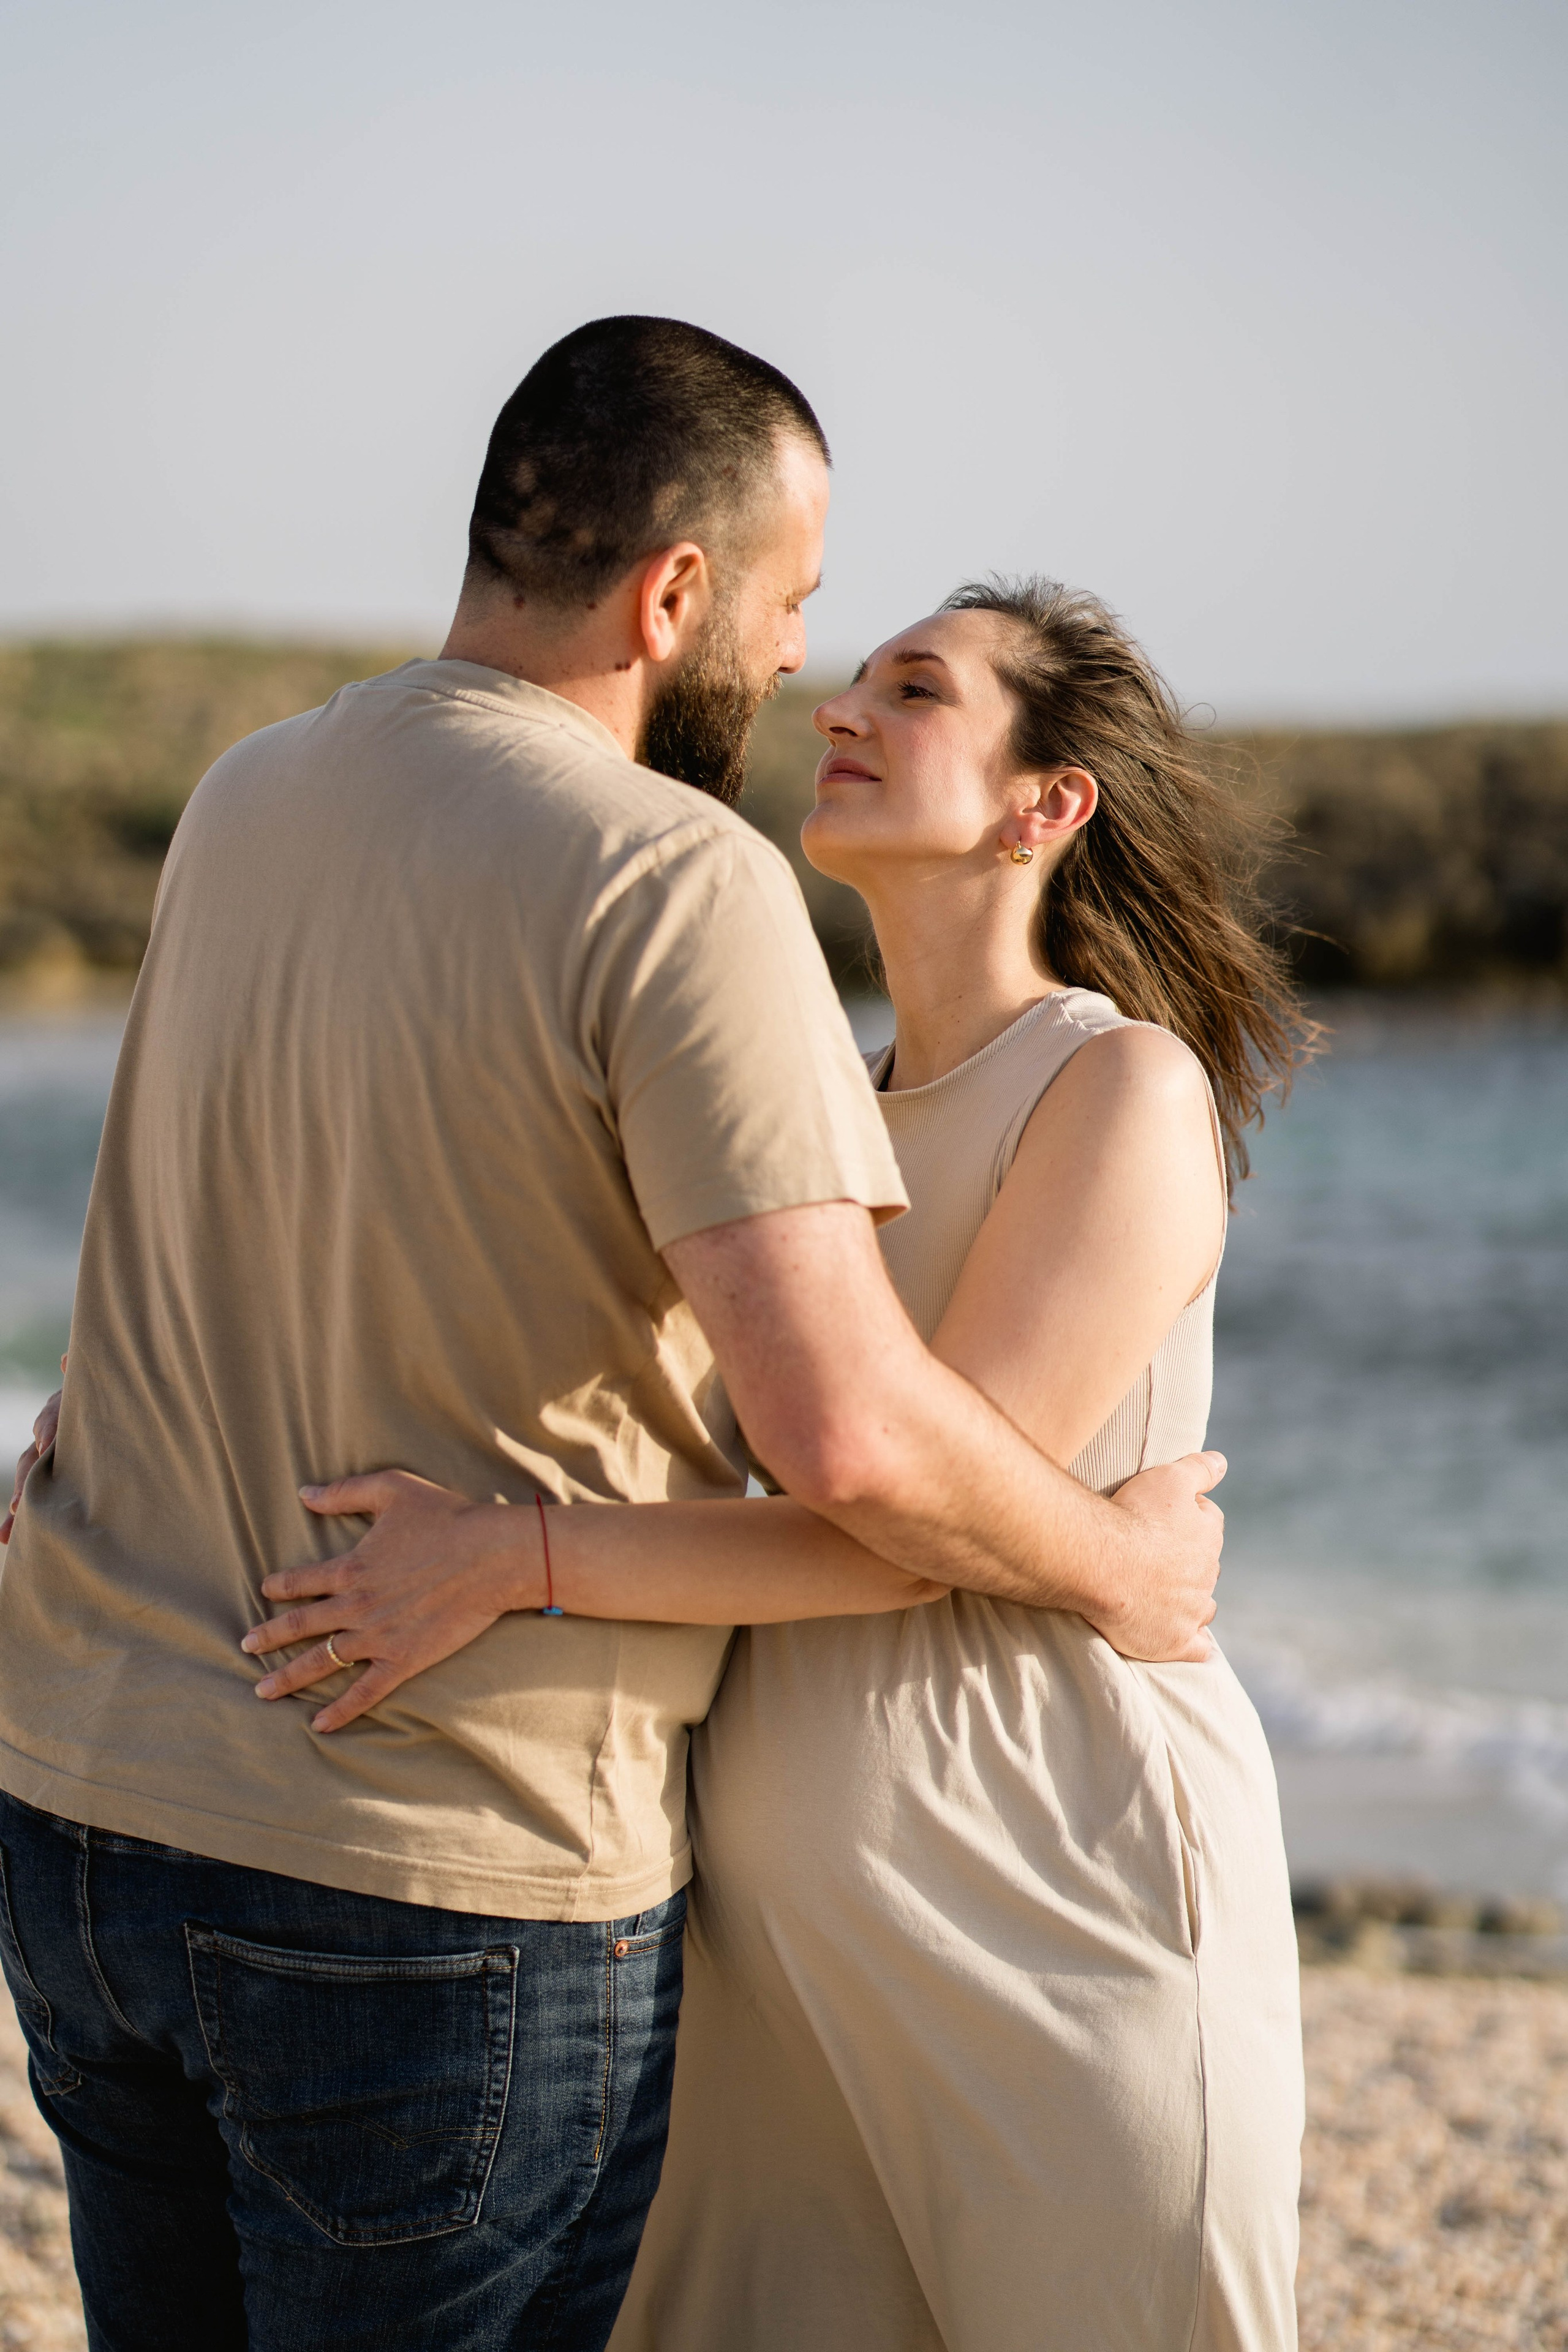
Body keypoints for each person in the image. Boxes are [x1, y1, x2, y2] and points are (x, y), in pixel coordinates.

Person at [0, 319, 1224, 2352]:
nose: (795, 666)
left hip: (81, 1812)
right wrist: (1118, 1562)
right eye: (793, 605)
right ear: (677, 594)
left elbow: (220, 1236)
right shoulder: (678, 881)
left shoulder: (246, 796)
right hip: (428, 1866)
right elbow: (843, 1430)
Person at [240, 581, 1306, 2350]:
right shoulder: (818, 1102)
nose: (843, 707)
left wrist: (508, 1556)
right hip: (775, 1949)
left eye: (919, 688)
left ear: (1052, 805)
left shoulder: (1119, 1088)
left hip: (1057, 1887)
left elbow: (896, 1517)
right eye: (854, 675)